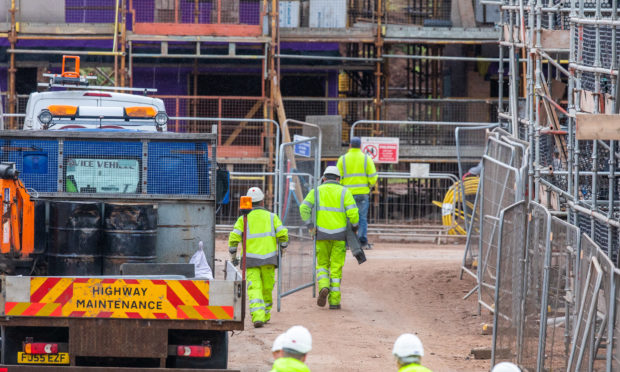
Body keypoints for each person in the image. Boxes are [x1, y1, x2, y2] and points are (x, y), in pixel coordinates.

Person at [300, 166, 359, 310]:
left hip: (321, 235)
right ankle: (334, 302)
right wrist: (354, 227)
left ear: (324, 178)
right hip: (339, 237)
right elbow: (354, 214)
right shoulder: (345, 192)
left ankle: (324, 286)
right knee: (336, 268)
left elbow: (304, 208)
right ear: (338, 179)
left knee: (322, 265)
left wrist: (310, 225)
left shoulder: (316, 191)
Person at [228, 187, 288, 328]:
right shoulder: (272, 217)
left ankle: (258, 317)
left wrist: (233, 256)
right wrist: (283, 247)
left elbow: (234, 238)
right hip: (269, 260)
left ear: (248, 202)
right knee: (267, 288)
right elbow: (283, 235)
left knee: (254, 288)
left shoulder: (243, 218)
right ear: (262, 202)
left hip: (250, 261)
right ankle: (265, 314)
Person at [337, 136, 377, 249]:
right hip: (362, 193)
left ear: (350, 146)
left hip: (347, 194)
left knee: (347, 218)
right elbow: (373, 177)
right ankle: (362, 242)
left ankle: (346, 243)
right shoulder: (366, 159)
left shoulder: (342, 159)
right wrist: (369, 185)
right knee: (362, 218)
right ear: (361, 146)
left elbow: (337, 176)